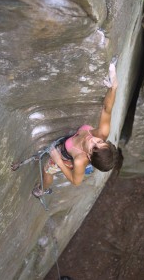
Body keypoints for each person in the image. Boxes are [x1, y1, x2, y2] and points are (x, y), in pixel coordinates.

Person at [32, 59, 123, 197]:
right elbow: (106, 109)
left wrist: (58, 161)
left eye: (94, 147)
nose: (93, 140)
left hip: (65, 157)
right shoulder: (101, 134)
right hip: (70, 145)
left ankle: (42, 190)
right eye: (100, 142)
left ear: (89, 156)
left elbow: (76, 181)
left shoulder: (80, 160)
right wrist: (113, 88)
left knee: (47, 170)